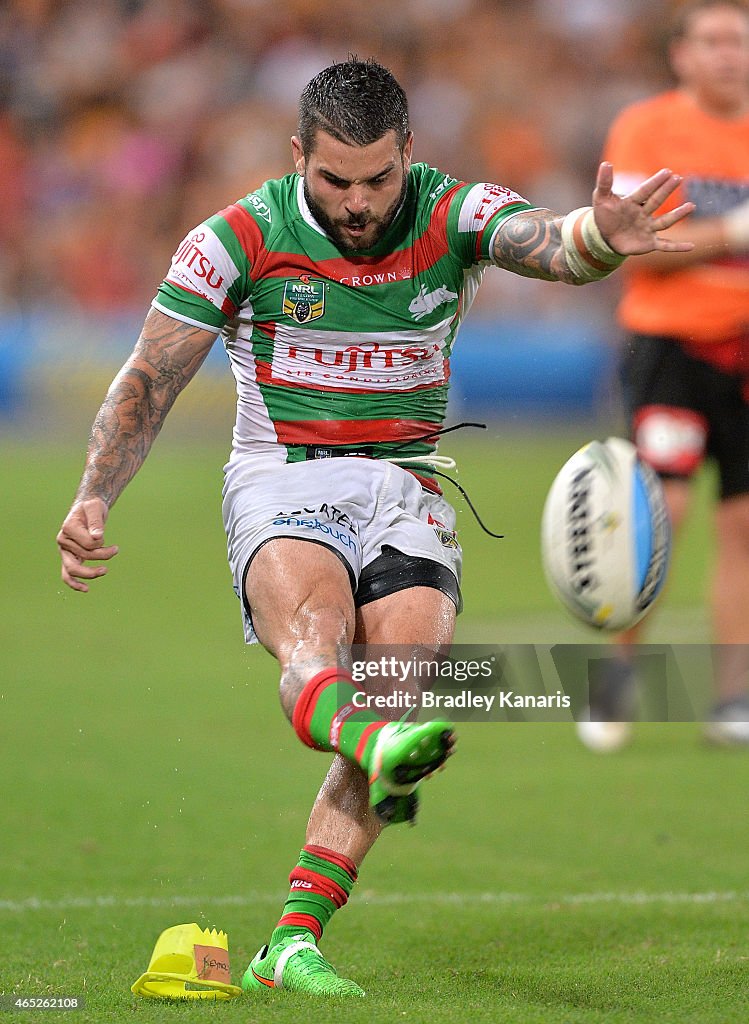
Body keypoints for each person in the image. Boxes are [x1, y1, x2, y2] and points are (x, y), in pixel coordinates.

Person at [56, 58, 692, 997]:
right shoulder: (235, 238)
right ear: (297, 158)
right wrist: (94, 491)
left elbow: (545, 242)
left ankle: (292, 941)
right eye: (334, 181)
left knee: (395, 707)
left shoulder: (449, 211)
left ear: (408, 155)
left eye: (377, 179)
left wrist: (600, 233)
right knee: (316, 660)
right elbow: (150, 376)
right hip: (284, 481)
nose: (357, 203)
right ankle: (372, 747)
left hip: (410, 485)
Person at [578, 0, 749, 752]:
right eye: (710, 40)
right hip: (670, 348)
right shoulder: (647, 127)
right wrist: (730, 233)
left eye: (737, 41)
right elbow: (641, 238)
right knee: (660, 516)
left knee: (741, 526)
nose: (726, 54)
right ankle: (617, 675)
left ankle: (731, 696)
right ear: (679, 54)